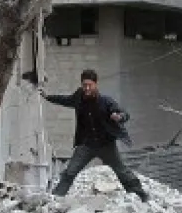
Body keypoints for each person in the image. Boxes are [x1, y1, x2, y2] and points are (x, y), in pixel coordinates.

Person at [38, 69, 149, 202]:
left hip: (106, 145)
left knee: (121, 171)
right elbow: (64, 99)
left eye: (90, 85)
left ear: (96, 84)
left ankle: (139, 195)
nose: (87, 88)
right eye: (84, 85)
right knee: (70, 171)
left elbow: (124, 113)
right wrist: (47, 97)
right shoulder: (78, 99)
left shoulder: (106, 101)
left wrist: (119, 117)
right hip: (86, 145)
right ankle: (56, 198)